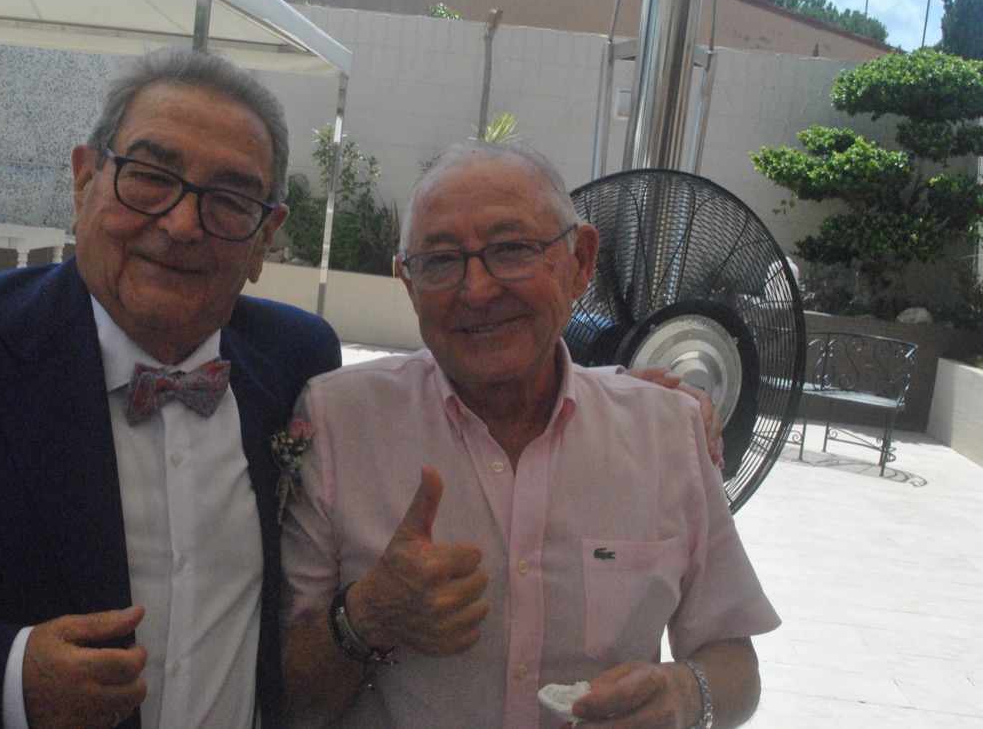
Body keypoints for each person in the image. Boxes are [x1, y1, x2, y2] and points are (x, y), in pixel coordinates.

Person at [0, 48, 341, 728]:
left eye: (230, 200)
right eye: (150, 176)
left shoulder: (297, 359)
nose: (181, 224)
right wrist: (8, 677)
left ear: (264, 239)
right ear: (84, 182)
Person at [280, 142, 780, 728]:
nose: (477, 290)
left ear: (581, 262)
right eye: (440, 261)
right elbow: (284, 698)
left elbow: (733, 660)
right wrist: (367, 617)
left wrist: (688, 694)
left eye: (512, 250)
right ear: (409, 285)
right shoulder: (338, 421)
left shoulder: (665, 430)